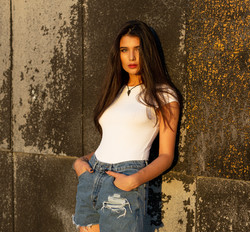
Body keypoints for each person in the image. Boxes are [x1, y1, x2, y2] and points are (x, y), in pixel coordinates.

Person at [72, 20, 180, 232]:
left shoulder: (163, 94)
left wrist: (133, 181)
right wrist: (80, 162)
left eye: (137, 50)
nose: (131, 57)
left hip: (124, 179)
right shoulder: (116, 91)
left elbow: (166, 155)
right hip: (92, 174)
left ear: (147, 52)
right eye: (124, 50)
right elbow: (113, 138)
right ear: (118, 54)